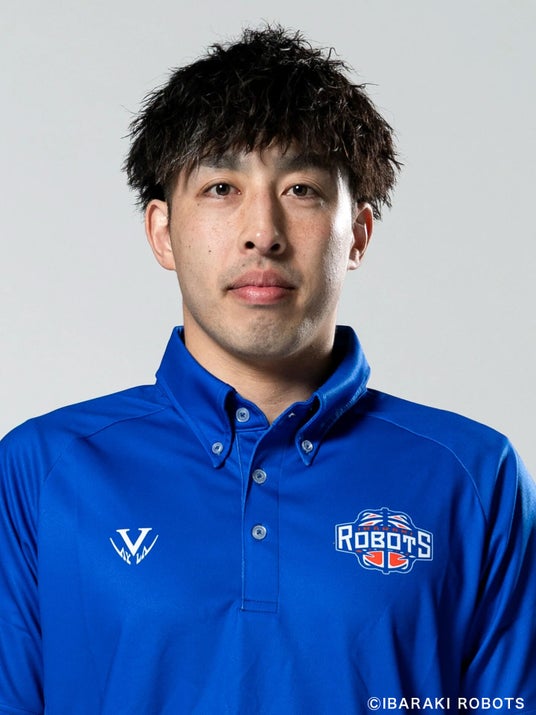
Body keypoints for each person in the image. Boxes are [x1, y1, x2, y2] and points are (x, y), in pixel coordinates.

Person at [1, 25, 535, 715]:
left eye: (302, 189)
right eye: (221, 187)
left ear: (358, 235)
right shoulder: (41, 471)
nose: (263, 232)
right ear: (163, 232)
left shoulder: (474, 476)